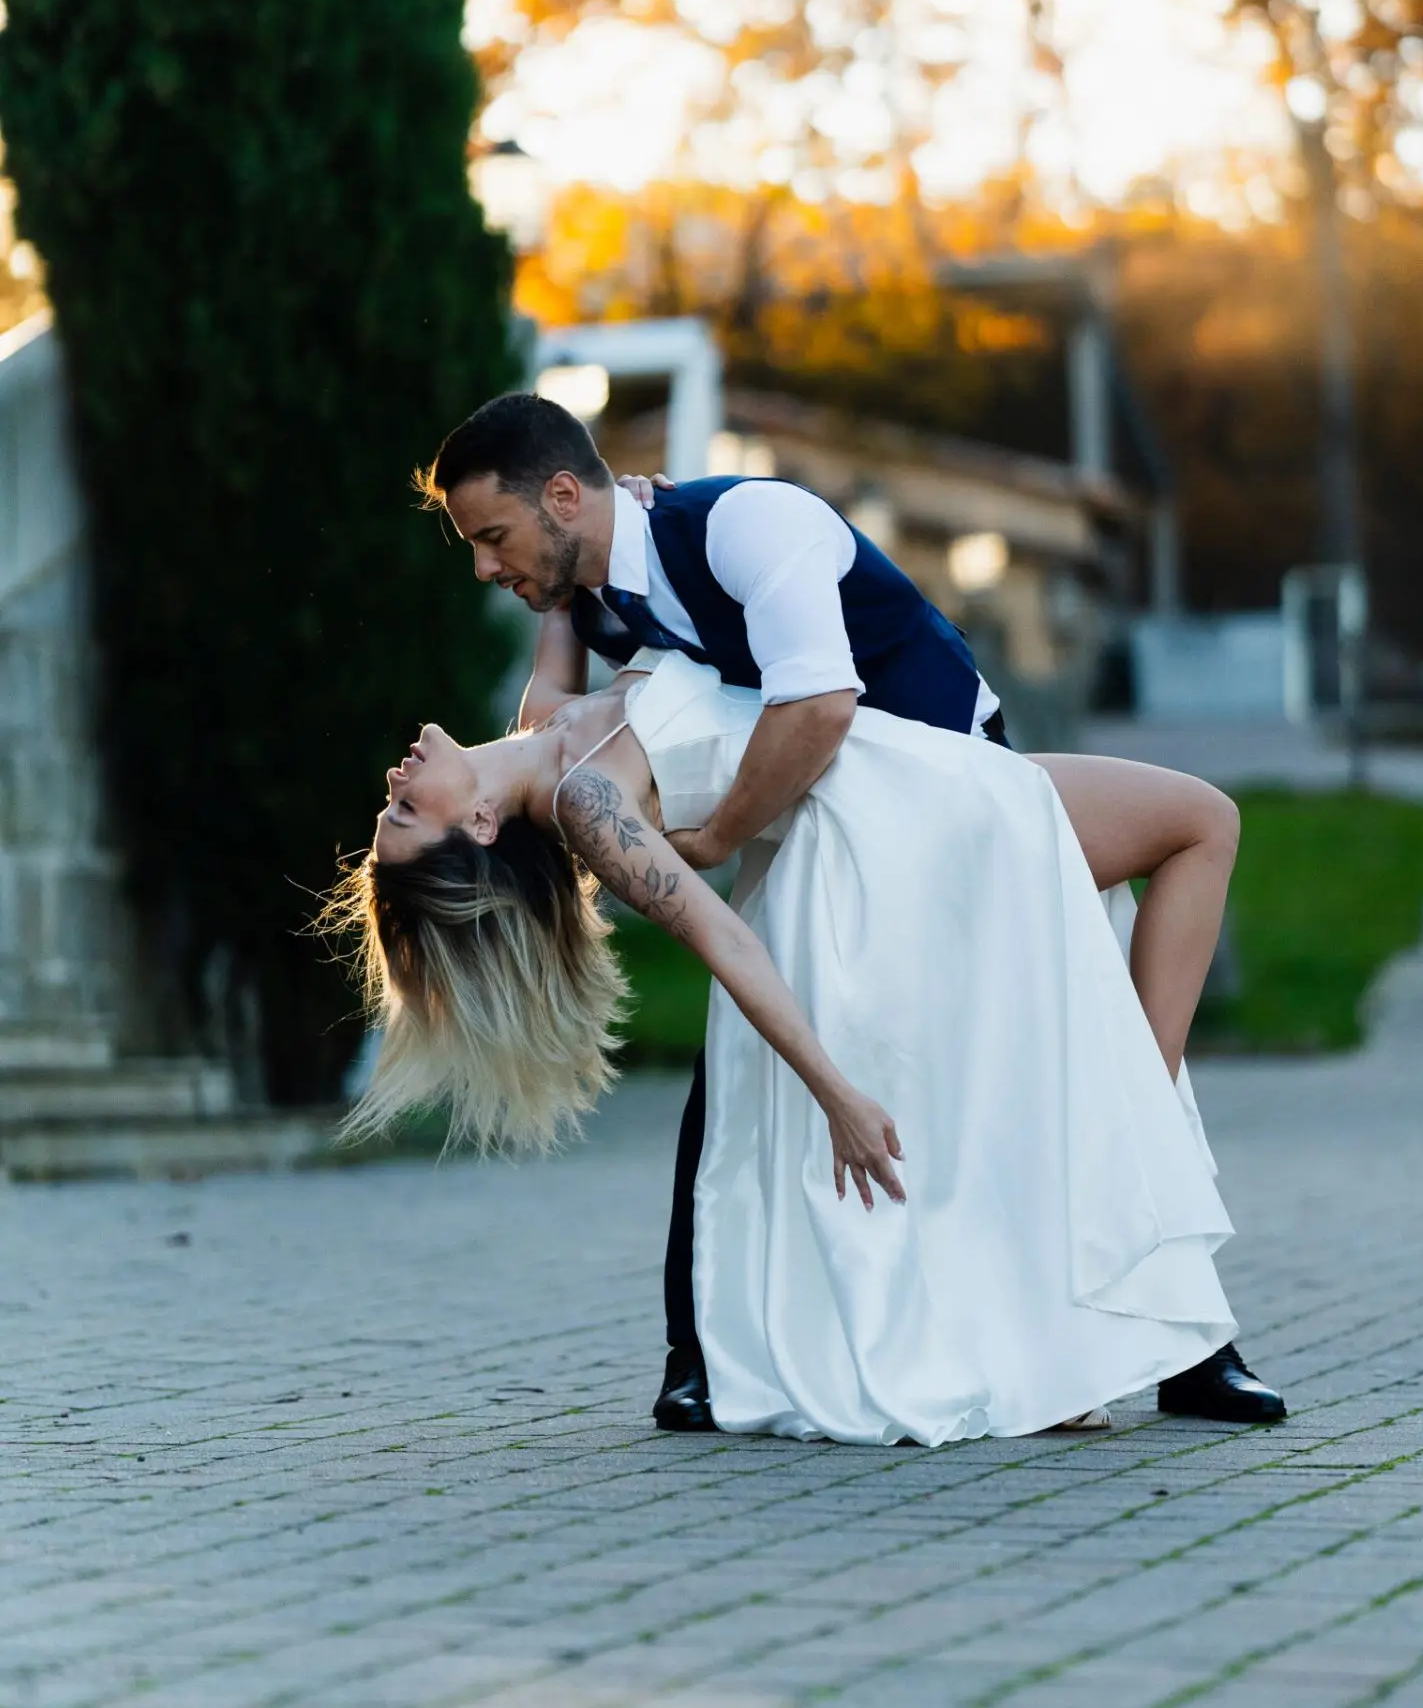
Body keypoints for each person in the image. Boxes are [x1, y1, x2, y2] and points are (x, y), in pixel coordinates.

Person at [413, 391, 1286, 1429]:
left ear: (565, 494)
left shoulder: (744, 524)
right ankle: (705, 1356)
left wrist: (720, 835)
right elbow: (544, 733)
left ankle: (1170, 1311)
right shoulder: (595, 601)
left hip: (946, 788)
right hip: (849, 838)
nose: (483, 566)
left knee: (1048, 1036)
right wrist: (547, 591)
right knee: (777, 1075)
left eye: (494, 538)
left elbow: (818, 706)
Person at [334, 653, 1242, 1444]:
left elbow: (566, 577)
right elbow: (727, 943)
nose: (393, 781)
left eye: (390, 806)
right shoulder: (591, 810)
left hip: (907, 779)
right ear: (479, 829)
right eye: (406, 814)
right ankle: (1140, 1134)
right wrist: (835, 1094)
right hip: (899, 822)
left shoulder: (550, 724)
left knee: (1009, 1078)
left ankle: (1101, 1235)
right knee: (1202, 820)